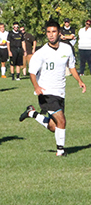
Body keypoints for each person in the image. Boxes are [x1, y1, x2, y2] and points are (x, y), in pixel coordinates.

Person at [19, 20, 86, 157]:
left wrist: (79, 81)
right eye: (48, 32)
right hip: (46, 92)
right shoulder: (41, 52)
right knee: (62, 120)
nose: (51, 35)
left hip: (60, 91)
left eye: (53, 31)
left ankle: (32, 113)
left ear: (59, 33)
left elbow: (72, 66)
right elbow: (32, 72)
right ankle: (60, 151)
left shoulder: (67, 49)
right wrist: (36, 87)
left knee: (54, 126)